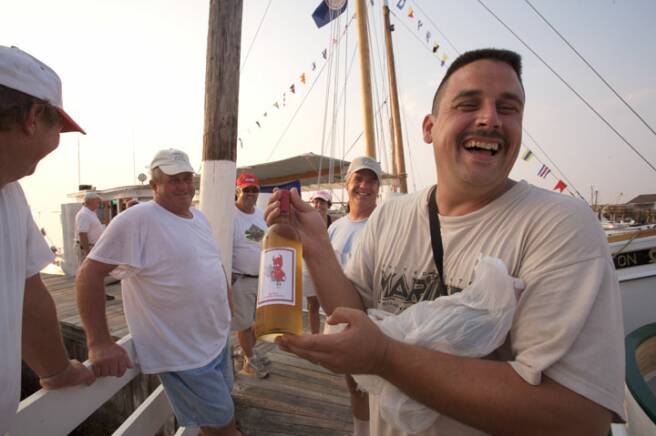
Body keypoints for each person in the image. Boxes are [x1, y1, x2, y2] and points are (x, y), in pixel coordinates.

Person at [266, 48, 625, 435]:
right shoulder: (392, 215)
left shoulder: (559, 224)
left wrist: (386, 357)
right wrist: (316, 246)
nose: (490, 118)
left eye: (508, 108)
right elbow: (353, 312)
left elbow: (578, 417)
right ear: (429, 127)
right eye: (468, 104)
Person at [76, 148, 242, 436]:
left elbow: (215, 265)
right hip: (184, 353)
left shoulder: (199, 218)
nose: (184, 186)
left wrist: (228, 311)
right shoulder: (137, 219)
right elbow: (88, 275)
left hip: (215, 341)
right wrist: (99, 342)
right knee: (223, 424)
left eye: (187, 178)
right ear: (154, 186)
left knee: (218, 418)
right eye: (173, 180)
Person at [0, 45, 95, 435]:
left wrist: (56, 370)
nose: (57, 142)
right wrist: (58, 372)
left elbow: (28, 299)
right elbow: (31, 297)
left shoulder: (10, 193)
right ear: (34, 116)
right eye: (58, 126)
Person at [328, 156, 381, 436]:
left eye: (372, 181)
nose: (365, 186)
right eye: (358, 179)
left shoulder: (385, 224)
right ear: (347, 183)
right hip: (342, 318)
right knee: (355, 387)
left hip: (376, 320)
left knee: (381, 391)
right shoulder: (335, 227)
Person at [232, 172, 269, 378]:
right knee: (244, 324)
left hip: (261, 279)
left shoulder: (259, 214)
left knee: (259, 323)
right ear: (238, 190)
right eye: (247, 190)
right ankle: (250, 360)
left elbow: (258, 240)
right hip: (241, 279)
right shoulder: (229, 215)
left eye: (254, 189)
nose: (251, 194)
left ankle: (247, 354)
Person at [302, 189, 334, 335]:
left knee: (331, 305)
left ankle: (332, 334)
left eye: (321, 202)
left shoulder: (334, 225)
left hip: (328, 269)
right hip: (308, 267)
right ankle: (315, 335)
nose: (318, 205)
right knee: (313, 304)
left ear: (329, 205)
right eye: (315, 202)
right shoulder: (304, 222)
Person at [74, 190, 103, 266]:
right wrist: (87, 252)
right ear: (91, 201)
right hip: (88, 248)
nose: (98, 204)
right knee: (86, 273)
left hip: (93, 247)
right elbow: (82, 234)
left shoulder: (90, 212)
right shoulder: (84, 214)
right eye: (97, 202)